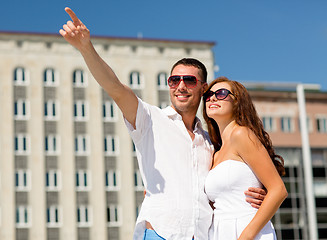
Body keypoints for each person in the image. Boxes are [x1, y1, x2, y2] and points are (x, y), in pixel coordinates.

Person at [59, 7, 267, 240]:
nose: (180, 86)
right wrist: (86, 48)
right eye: (173, 80)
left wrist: (254, 194)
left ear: (203, 87)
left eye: (189, 80)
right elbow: (115, 88)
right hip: (160, 234)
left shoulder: (210, 141)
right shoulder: (150, 119)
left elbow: (223, 185)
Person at [202, 77, 288, 240]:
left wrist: (245, 237)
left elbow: (278, 190)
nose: (212, 98)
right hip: (220, 231)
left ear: (237, 102)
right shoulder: (216, 152)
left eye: (221, 93)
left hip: (247, 230)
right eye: (208, 95)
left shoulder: (242, 134)